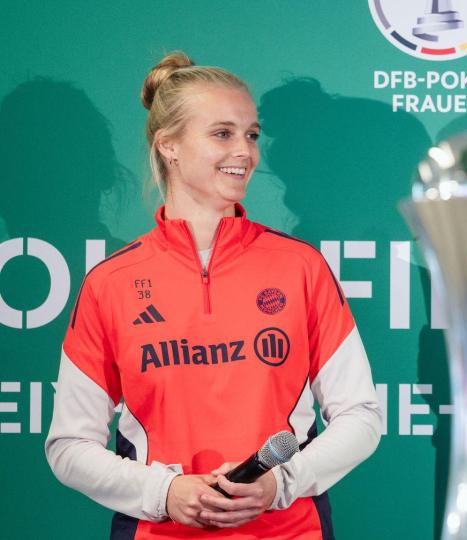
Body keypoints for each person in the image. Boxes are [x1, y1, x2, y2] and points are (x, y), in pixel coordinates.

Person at [45, 52, 382, 539]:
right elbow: (69, 445)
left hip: (290, 530)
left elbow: (361, 415)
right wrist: (165, 493)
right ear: (169, 146)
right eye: (222, 134)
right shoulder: (111, 283)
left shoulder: (300, 266)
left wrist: (279, 484)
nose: (245, 152)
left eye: (251, 134)